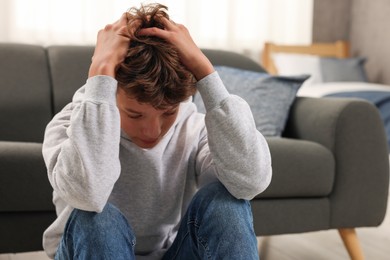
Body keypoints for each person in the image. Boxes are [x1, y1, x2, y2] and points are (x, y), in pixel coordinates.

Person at [42, 3, 272, 260]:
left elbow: (249, 183)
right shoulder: (68, 125)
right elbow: (89, 195)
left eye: (168, 113)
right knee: (96, 218)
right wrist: (102, 68)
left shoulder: (193, 127)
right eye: (135, 114)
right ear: (109, 91)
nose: (153, 131)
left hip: (171, 254)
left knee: (227, 202)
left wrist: (204, 71)